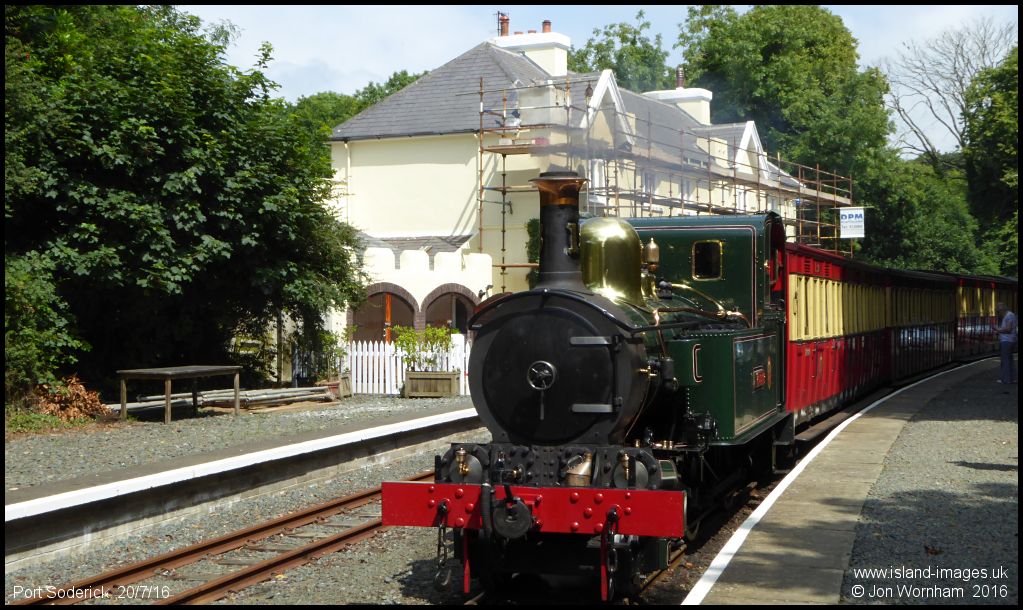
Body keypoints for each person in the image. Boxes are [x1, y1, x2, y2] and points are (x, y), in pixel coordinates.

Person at [991, 302, 1018, 384]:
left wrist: (997, 329)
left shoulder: (1009, 316)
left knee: (1005, 360)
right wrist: (999, 330)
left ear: (1002, 309)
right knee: (1009, 360)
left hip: (1007, 341)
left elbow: (1008, 329)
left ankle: (1006, 379)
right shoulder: (1010, 315)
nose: (998, 313)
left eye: (998, 311)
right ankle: (1012, 378)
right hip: (1011, 340)